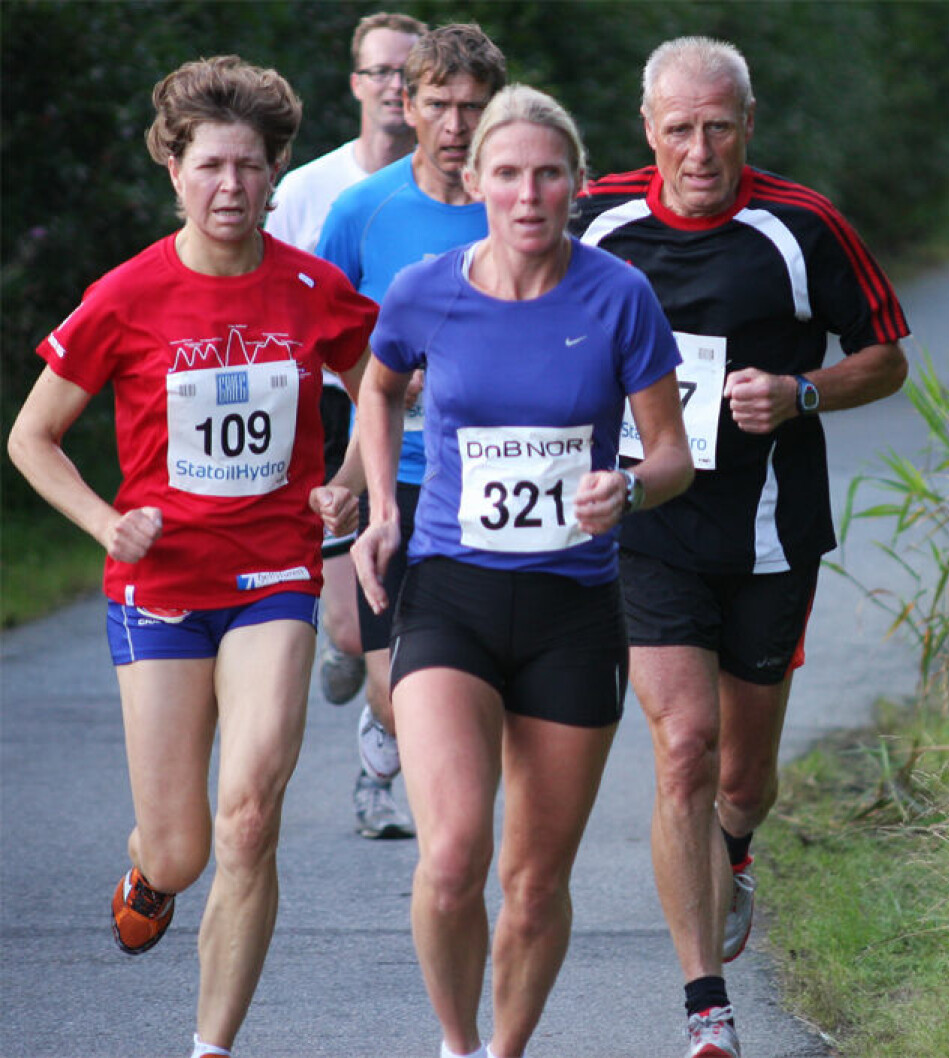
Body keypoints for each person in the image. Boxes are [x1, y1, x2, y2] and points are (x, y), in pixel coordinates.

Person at [6, 56, 377, 1058]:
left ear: (275, 170)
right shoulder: (126, 295)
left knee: (249, 817)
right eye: (210, 165)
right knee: (181, 849)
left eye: (250, 166)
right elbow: (31, 437)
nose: (230, 187)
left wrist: (348, 477)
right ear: (174, 169)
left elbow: (381, 388)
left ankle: (211, 1045)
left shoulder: (312, 287)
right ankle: (151, 869)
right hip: (162, 587)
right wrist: (104, 524)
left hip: (273, 575)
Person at [571, 36, 909, 1058]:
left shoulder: (803, 226)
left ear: (748, 125)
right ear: (648, 129)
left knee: (743, 779)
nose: (700, 149)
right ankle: (705, 1005)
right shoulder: (595, 219)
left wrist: (802, 391)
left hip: (767, 532)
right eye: (679, 128)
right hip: (650, 525)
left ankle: (737, 847)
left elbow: (886, 359)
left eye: (719, 126)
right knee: (683, 747)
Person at [352, 84, 694, 1058]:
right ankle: (458, 1044)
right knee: (453, 857)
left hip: (573, 610)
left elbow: (672, 456)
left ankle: (505, 1049)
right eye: (508, 173)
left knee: (535, 884)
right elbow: (378, 386)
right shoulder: (425, 289)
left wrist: (628, 489)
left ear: (577, 183)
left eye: (548, 174)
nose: (529, 193)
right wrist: (382, 508)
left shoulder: (617, 295)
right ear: (476, 181)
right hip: (450, 593)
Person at [316, 21, 506, 840]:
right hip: (395, 469)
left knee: (468, 675)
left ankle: (452, 840)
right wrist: (380, 374)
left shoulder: (518, 203)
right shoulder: (365, 209)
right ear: (408, 102)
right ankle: (384, 719)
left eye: (474, 106)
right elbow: (317, 334)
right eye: (439, 104)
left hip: (493, 473)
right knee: (393, 685)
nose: (456, 125)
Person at [266, 11, 426, 717]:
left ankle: (392, 726)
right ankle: (354, 652)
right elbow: (273, 304)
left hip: (432, 412)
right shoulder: (311, 190)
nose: (394, 86)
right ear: (356, 82)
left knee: (406, 611)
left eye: (408, 73)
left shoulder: (466, 189)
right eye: (380, 71)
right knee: (353, 626)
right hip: (334, 409)